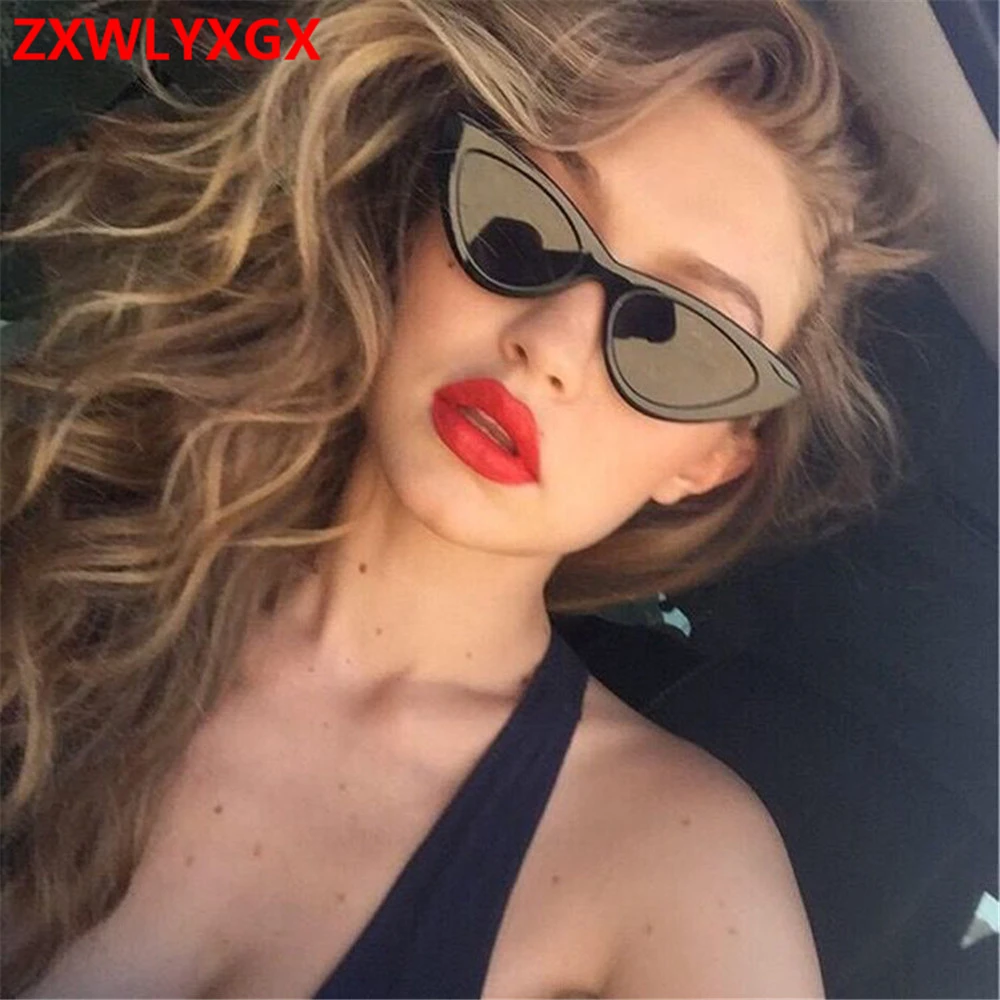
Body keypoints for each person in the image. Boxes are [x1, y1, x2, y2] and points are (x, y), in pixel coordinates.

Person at [1, 0, 934, 996]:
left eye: (677, 336)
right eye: (523, 221)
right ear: (421, 222)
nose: (552, 343)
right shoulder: (51, 552)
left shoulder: (680, 870)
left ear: (709, 460)